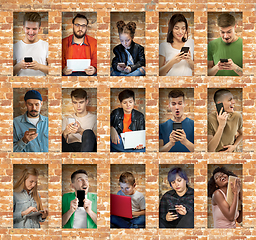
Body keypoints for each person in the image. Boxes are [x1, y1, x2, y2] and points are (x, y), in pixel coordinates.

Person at [13, 12, 49, 76]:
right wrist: (18, 66)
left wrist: (39, 66)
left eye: (34, 29)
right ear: (23, 27)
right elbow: (7, 74)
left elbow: (55, 71)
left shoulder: (46, 46)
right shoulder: (15, 47)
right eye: (28, 28)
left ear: (39, 29)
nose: (31, 32)